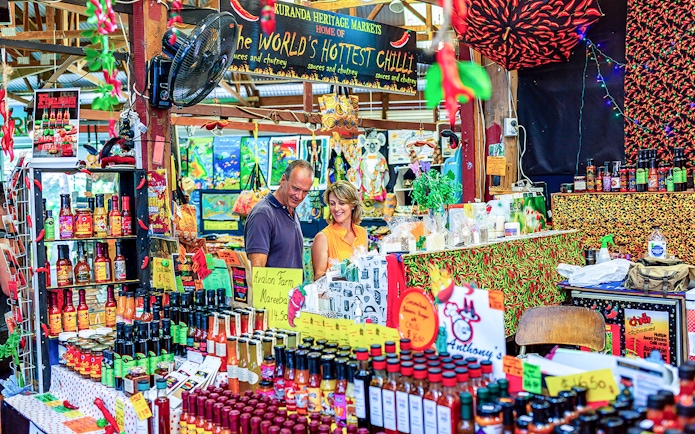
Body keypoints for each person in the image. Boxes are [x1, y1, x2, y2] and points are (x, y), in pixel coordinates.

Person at [245, 159, 313, 269]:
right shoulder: (262, 214)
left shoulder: (290, 209)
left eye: (305, 191)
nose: (299, 196)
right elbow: (258, 272)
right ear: (283, 180)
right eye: (295, 188)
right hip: (273, 286)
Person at [311, 180, 367, 280]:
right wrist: (342, 275)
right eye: (332, 204)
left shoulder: (362, 233)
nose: (336, 208)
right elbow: (318, 278)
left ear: (353, 205)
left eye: (341, 203)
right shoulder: (323, 237)